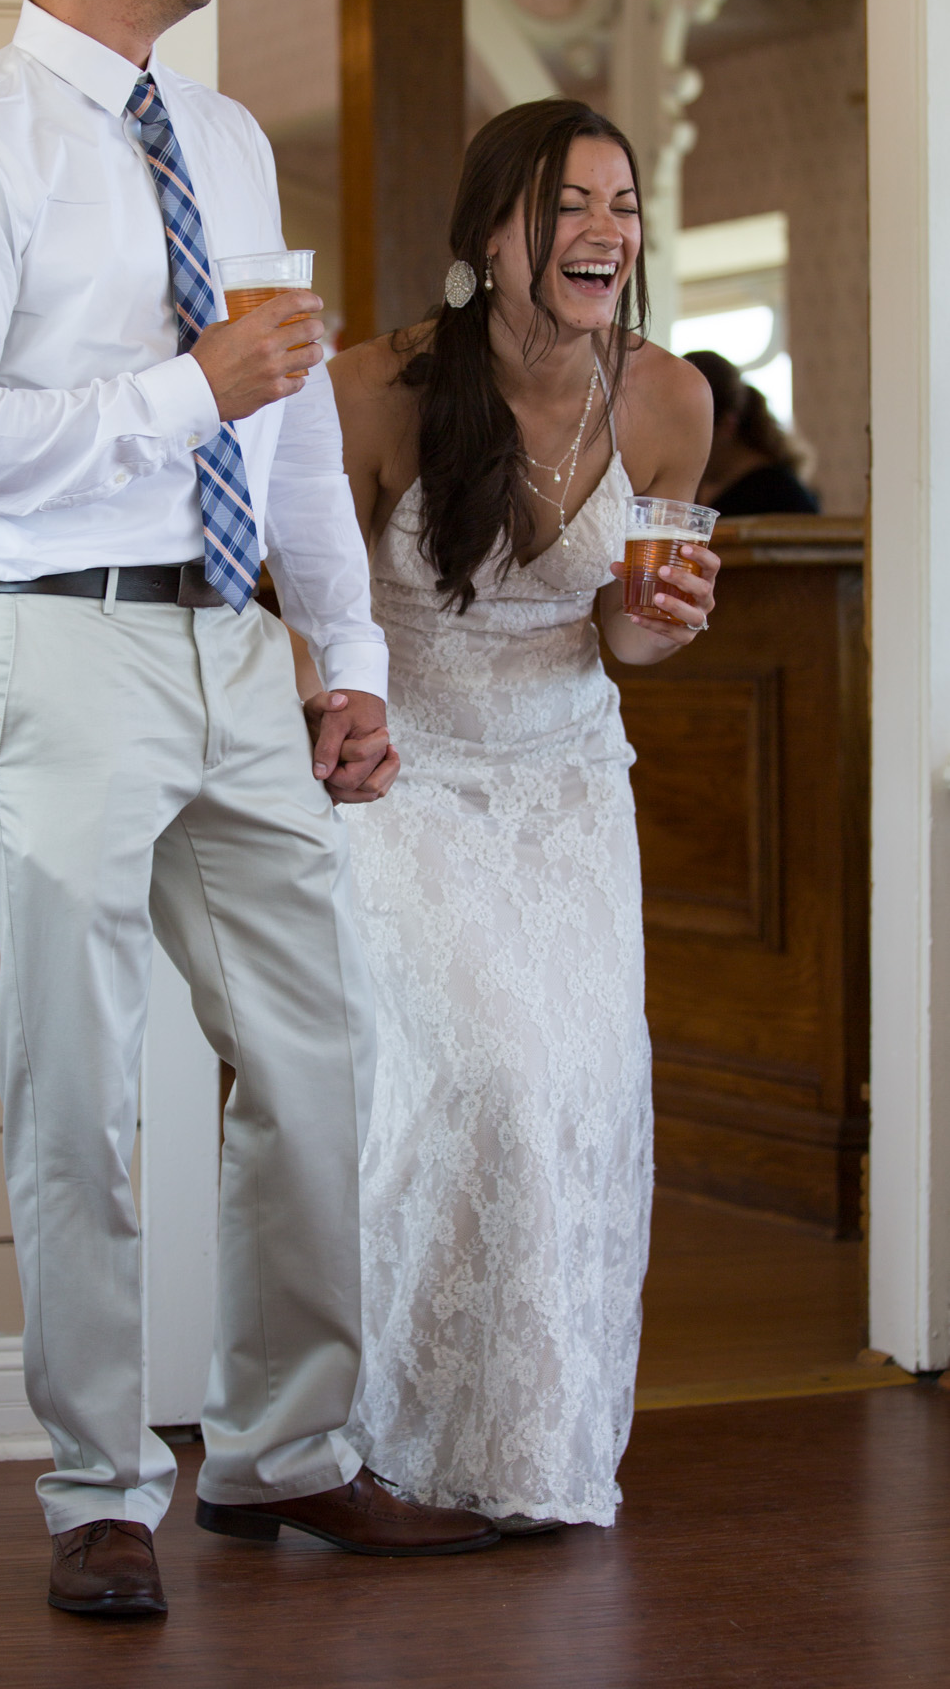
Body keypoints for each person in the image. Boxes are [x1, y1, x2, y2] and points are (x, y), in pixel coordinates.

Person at [0, 0, 499, 1622]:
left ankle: (288, 1456)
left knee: (315, 1054)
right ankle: (94, 1489)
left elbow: (290, 423)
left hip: (235, 651)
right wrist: (182, 393)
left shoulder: (222, 144)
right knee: (84, 1088)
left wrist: (347, 655)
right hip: (42, 645)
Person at [318, 98, 719, 1531]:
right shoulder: (377, 392)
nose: (602, 230)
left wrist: (658, 625)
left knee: (582, 1092)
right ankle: (371, 1436)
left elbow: (633, 645)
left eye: (620, 205)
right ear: (490, 235)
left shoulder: (669, 403)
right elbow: (320, 610)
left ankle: (531, 1453)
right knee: (477, 1076)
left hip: (566, 784)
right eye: (567, 204)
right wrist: (337, 716)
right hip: (408, 775)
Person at [682, 347, 820, 515]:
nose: (676, 444)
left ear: (726, 426)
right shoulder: (697, 487)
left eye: (685, 431)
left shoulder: (781, 496)